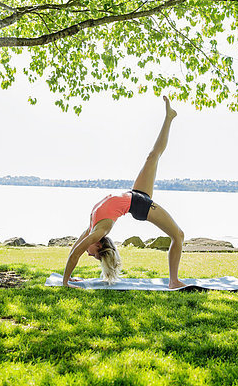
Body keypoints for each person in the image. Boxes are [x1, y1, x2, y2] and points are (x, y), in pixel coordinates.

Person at [62, 96, 187, 289]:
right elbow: (77, 252)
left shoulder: (94, 229)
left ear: (99, 246)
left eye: (93, 255)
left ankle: (169, 117)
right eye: (94, 256)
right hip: (138, 205)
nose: (89, 254)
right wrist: (66, 281)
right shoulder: (99, 231)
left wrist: (67, 280)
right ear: (99, 244)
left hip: (136, 195)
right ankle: (173, 281)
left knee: (153, 156)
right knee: (178, 235)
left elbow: (75, 251)